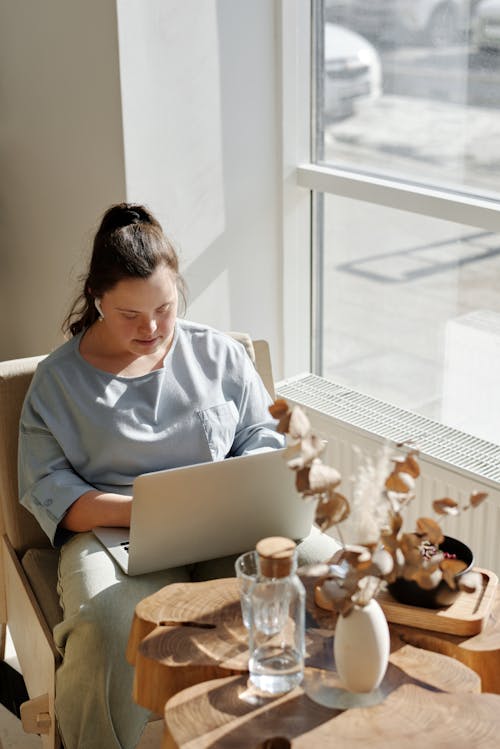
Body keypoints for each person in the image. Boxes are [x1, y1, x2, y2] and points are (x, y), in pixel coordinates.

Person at [18, 203, 338, 749]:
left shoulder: (219, 354)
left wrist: (235, 492)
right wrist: (144, 509)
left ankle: (307, 727)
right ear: (97, 300)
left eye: (163, 309)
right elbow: (50, 489)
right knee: (106, 623)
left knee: (325, 569)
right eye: (129, 315)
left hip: (225, 524)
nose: (150, 329)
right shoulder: (57, 381)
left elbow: (261, 437)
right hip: (114, 535)